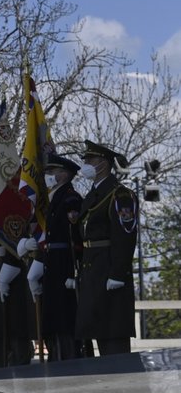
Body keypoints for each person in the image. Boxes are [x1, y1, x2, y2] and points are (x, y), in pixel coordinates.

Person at [75, 141, 137, 356]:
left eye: (90, 160)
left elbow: (124, 236)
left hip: (108, 269)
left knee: (113, 335)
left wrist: (118, 273)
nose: (86, 164)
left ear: (103, 163)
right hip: (92, 270)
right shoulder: (93, 195)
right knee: (97, 330)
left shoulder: (120, 195)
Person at [41, 154, 83, 361]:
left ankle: (68, 355)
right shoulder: (56, 198)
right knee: (53, 313)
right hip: (54, 262)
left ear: (64, 175)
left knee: (64, 314)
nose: (48, 175)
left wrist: (73, 270)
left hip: (64, 264)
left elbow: (74, 236)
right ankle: (56, 354)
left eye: (52, 171)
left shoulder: (70, 199)